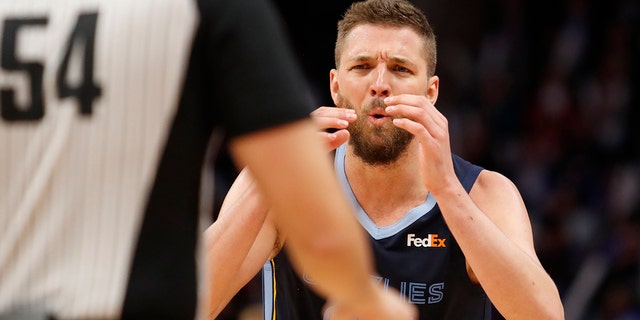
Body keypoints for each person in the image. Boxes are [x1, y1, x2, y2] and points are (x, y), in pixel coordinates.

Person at [0, 0, 416, 319]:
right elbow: (322, 238)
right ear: (335, 83)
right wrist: (367, 301)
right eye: (361, 66)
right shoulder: (213, 10)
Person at [205, 0, 566, 319]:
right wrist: (274, 177)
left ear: (431, 91)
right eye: (361, 67)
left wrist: (447, 191)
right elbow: (191, 302)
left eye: (401, 69)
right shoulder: (282, 186)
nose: (380, 84)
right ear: (335, 86)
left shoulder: (485, 194)